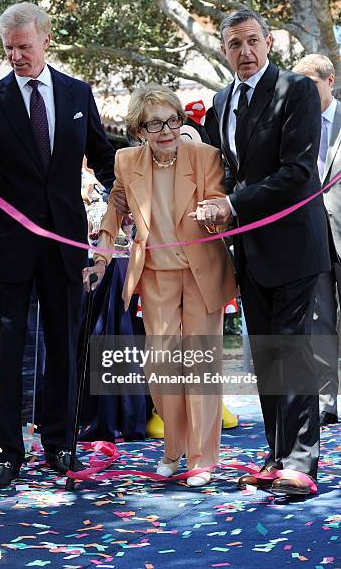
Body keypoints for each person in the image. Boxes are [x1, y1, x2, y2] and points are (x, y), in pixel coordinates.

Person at [0, 2, 115, 489]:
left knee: (65, 345)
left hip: (66, 242)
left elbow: (107, 164)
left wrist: (129, 209)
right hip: (8, 244)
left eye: (24, 47)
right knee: (6, 350)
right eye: (9, 49)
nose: (16, 57)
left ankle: (60, 443)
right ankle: (6, 453)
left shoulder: (77, 94)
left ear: (45, 39)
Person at [195, 9, 331, 496]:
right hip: (248, 249)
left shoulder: (296, 90)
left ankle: (301, 463)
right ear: (224, 50)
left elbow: (298, 172)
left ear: (269, 42)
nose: (245, 52)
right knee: (268, 355)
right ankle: (276, 454)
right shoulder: (221, 99)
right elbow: (222, 167)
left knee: (293, 352)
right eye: (235, 44)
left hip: (295, 244)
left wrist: (230, 203)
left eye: (253, 41)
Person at [83, 84, 237, 486]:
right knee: (162, 366)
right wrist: (100, 259)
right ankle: (174, 449)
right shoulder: (125, 161)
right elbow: (115, 211)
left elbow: (222, 202)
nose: (166, 130)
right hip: (154, 273)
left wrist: (215, 212)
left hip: (201, 271)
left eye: (172, 120)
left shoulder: (205, 156)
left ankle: (203, 459)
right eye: (155, 124)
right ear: (139, 129)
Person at [293, 54, 340, 426]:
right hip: (312, 238)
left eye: (310, 85)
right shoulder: (296, 127)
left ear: (330, 82)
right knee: (320, 320)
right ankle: (327, 401)